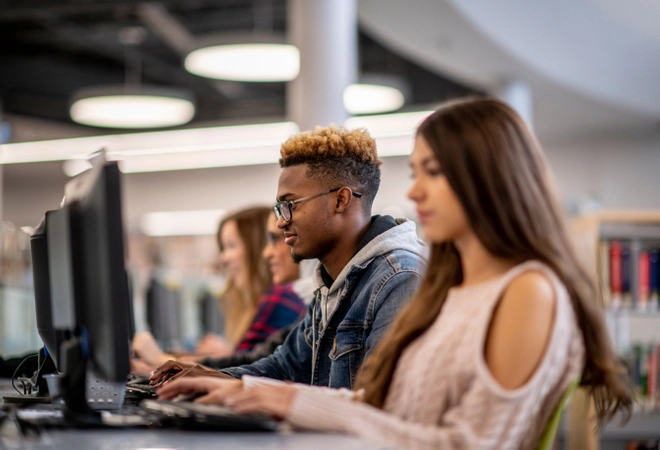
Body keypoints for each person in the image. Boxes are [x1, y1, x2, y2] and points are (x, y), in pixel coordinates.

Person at [158, 98, 632, 449]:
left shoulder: (528, 292)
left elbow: (467, 444)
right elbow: (386, 410)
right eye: (417, 173)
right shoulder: (453, 287)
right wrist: (252, 393)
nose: (416, 192)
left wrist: (284, 401)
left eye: (434, 172)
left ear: (490, 178)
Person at [151, 125, 427, 389]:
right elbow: (285, 366)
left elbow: (378, 405)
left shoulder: (399, 280)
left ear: (340, 200)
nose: (282, 222)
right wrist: (212, 376)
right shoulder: (331, 284)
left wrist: (250, 390)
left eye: (290, 205)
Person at [132, 207, 305, 370]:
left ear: (255, 248)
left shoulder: (279, 298)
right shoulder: (274, 298)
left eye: (231, 246)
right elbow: (250, 361)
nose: (224, 257)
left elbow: (249, 370)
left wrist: (160, 361)